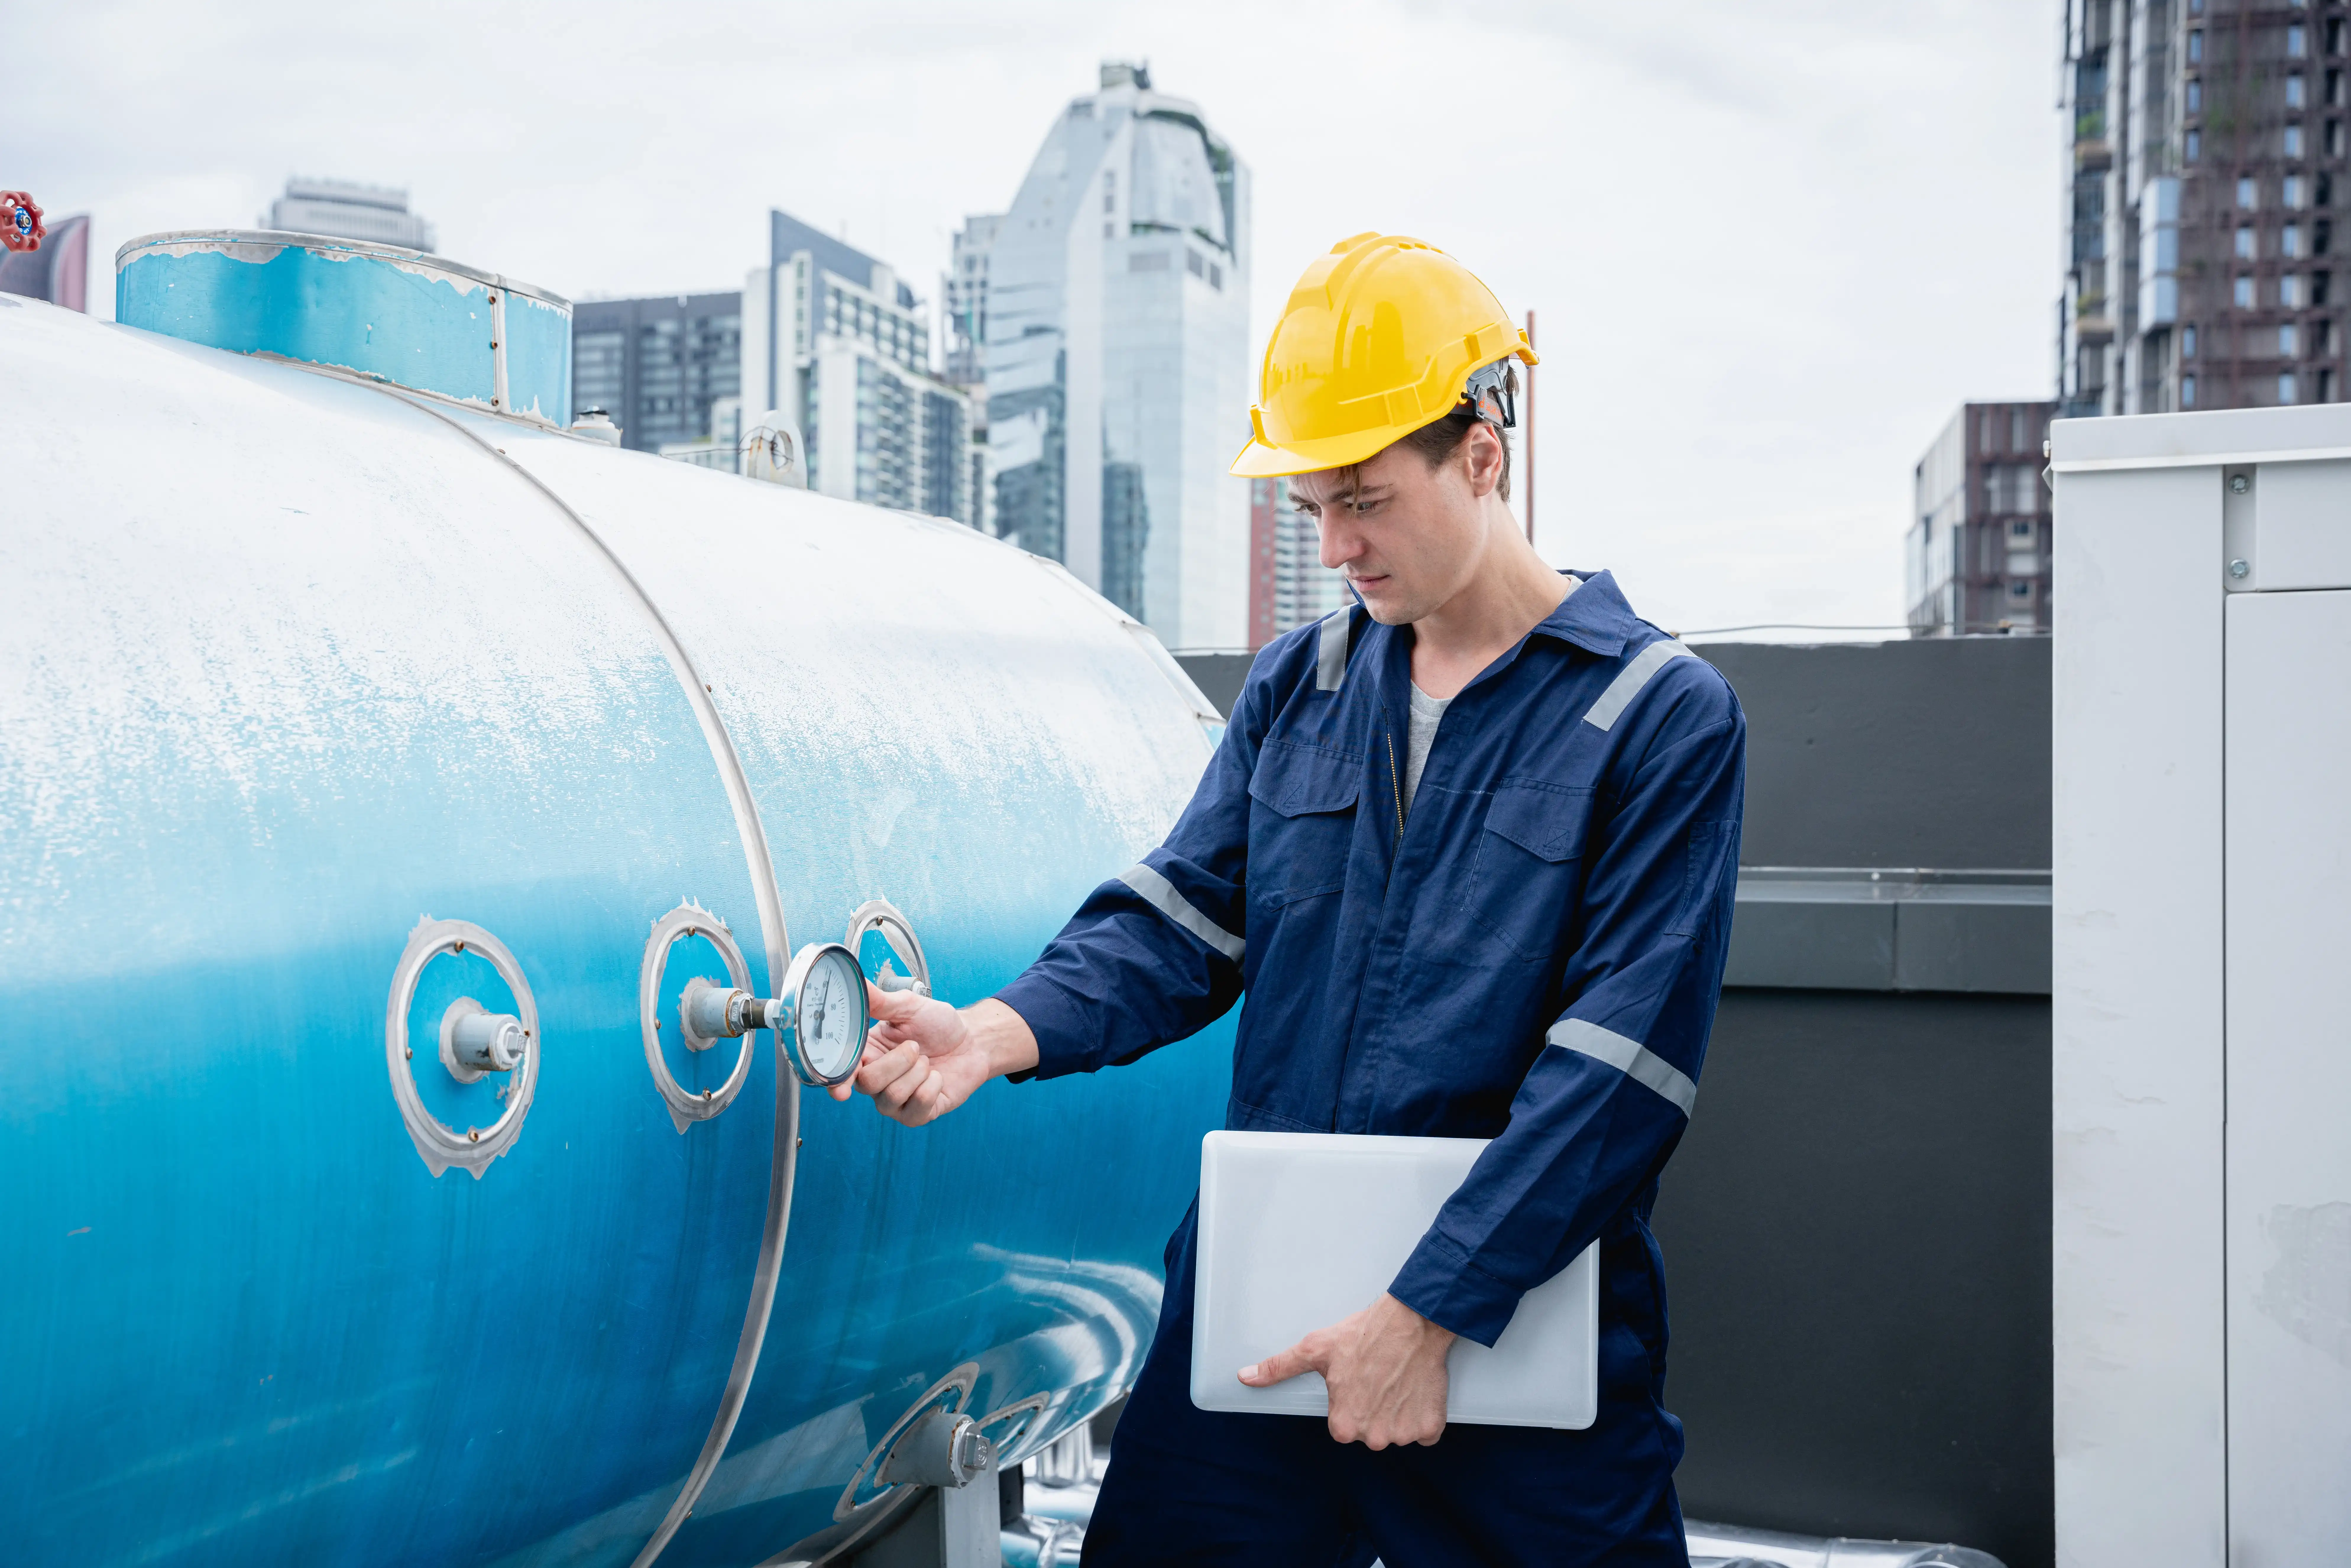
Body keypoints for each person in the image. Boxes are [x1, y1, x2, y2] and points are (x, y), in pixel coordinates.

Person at [837, 232, 1745, 1565]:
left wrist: (1426, 1313)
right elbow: (1179, 924)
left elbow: (1619, 1075)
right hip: (1261, 1323)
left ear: (1481, 456)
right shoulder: (1303, 687)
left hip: (1511, 1331)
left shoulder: (1655, 718)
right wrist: (993, 1030)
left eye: (1365, 500)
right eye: (1314, 505)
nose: (1336, 545)